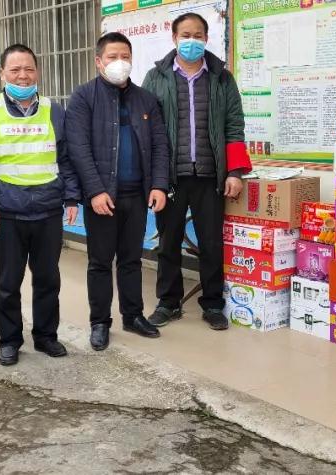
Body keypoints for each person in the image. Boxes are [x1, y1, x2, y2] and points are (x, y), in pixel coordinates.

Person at [0, 44, 81, 366]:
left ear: (37, 72)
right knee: (8, 282)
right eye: (15, 70)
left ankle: (46, 336)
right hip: (6, 213)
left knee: (48, 279)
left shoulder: (53, 110)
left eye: (29, 69)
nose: (22, 75)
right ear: (2, 73)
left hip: (47, 210)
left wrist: (72, 197)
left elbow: (65, 158)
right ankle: (9, 340)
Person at [141, 13, 252, 330]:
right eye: (186, 35)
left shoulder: (221, 78)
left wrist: (234, 172)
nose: (192, 41)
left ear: (206, 38)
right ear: (174, 38)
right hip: (170, 177)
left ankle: (213, 304)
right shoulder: (156, 77)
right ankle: (168, 302)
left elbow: (234, 126)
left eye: (198, 35)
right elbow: (148, 130)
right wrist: (154, 180)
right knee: (168, 242)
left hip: (210, 176)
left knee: (211, 243)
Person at [66, 32, 170, 351]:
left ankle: (133, 315)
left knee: (131, 260)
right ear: (99, 61)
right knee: (100, 262)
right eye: (112, 57)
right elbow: (78, 148)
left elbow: (159, 145)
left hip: (136, 195)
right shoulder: (84, 97)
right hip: (103, 198)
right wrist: (95, 191)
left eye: (125, 56)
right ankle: (100, 322)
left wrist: (159, 185)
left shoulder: (146, 99)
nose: (119, 62)